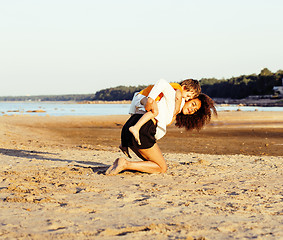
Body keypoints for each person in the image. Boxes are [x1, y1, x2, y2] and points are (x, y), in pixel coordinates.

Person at [106, 80, 217, 175]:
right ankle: (124, 164)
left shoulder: (172, 110)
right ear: (187, 99)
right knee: (161, 167)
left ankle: (121, 163)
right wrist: (150, 99)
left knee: (152, 163)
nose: (193, 109)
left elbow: (137, 101)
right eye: (193, 104)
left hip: (130, 126)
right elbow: (162, 83)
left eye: (195, 111)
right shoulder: (175, 97)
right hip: (142, 129)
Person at [129, 79, 201, 145]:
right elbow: (177, 96)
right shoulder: (177, 89)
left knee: (138, 117)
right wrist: (151, 99)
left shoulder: (175, 95)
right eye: (188, 96)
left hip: (139, 99)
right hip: (144, 97)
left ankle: (125, 142)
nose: (186, 99)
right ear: (184, 87)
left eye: (189, 98)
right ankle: (136, 127)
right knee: (155, 112)